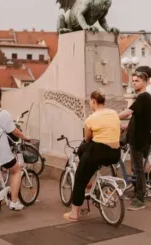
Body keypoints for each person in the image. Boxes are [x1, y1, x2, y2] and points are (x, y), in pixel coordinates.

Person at [64, 89, 121, 221]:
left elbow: (88, 138)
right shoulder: (114, 113)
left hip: (98, 152)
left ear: (93, 101)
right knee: (86, 153)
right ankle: (92, 176)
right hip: (115, 153)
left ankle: (74, 213)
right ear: (104, 102)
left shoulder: (91, 119)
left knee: (79, 179)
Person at [119, 71, 151, 210]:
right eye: (133, 81)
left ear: (145, 82)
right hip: (134, 137)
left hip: (139, 140)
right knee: (136, 168)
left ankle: (140, 199)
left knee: (138, 169)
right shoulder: (142, 98)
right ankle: (136, 192)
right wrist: (127, 126)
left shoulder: (143, 97)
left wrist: (110, 117)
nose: (133, 83)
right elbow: (137, 117)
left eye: (137, 81)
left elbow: (127, 113)